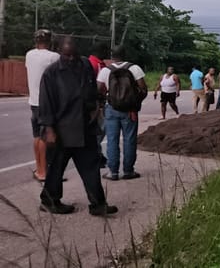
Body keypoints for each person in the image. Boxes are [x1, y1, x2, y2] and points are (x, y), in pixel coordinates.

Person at [37, 36, 118, 216]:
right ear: (59, 53)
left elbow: (91, 91)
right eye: (67, 56)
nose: (71, 59)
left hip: (85, 127)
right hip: (61, 129)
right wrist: (49, 129)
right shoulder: (51, 73)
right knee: (56, 168)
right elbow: (45, 103)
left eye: (74, 54)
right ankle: (49, 200)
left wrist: (96, 107)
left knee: (91, 167)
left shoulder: (85, 65)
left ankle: (98, 204)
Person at [97, 45, 147, 181]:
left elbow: (99, 89)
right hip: (130, 110)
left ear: (112, 55)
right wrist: (134, 103)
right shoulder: (134, 68)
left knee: (112, 140)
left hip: (111, 109)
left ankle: (113, 172)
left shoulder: (106, 70)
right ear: (125, 54)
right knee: (129, 139)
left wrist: (103, 103)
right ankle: (128, 171)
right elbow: (143, 89)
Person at [25, 29, 60, 182]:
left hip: (33, 101)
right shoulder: (54, 57)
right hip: (47, 102)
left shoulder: (29, 54)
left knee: (37, 136)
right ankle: (44, 172)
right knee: (47, 138)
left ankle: (39, 169)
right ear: (50, 41)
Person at [88, 41, 108, 168]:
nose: (107, 53)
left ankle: (97, 154)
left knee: (100, 129)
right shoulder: (93, 64)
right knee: (100, 129)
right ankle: (95, 155)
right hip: (96, 103)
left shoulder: (100, 64)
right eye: (105, 50)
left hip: (99, 101)